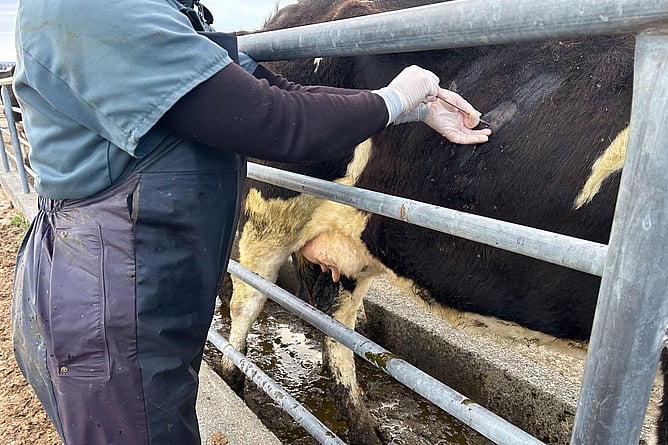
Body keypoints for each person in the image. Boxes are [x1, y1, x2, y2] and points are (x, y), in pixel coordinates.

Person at [10, 0, 492, 444]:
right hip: (106, 284)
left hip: (135, 276)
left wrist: (409, 110)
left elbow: (281, 92)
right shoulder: (96, 8)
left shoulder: (157, 12)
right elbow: (274, 121)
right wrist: (393, 99)